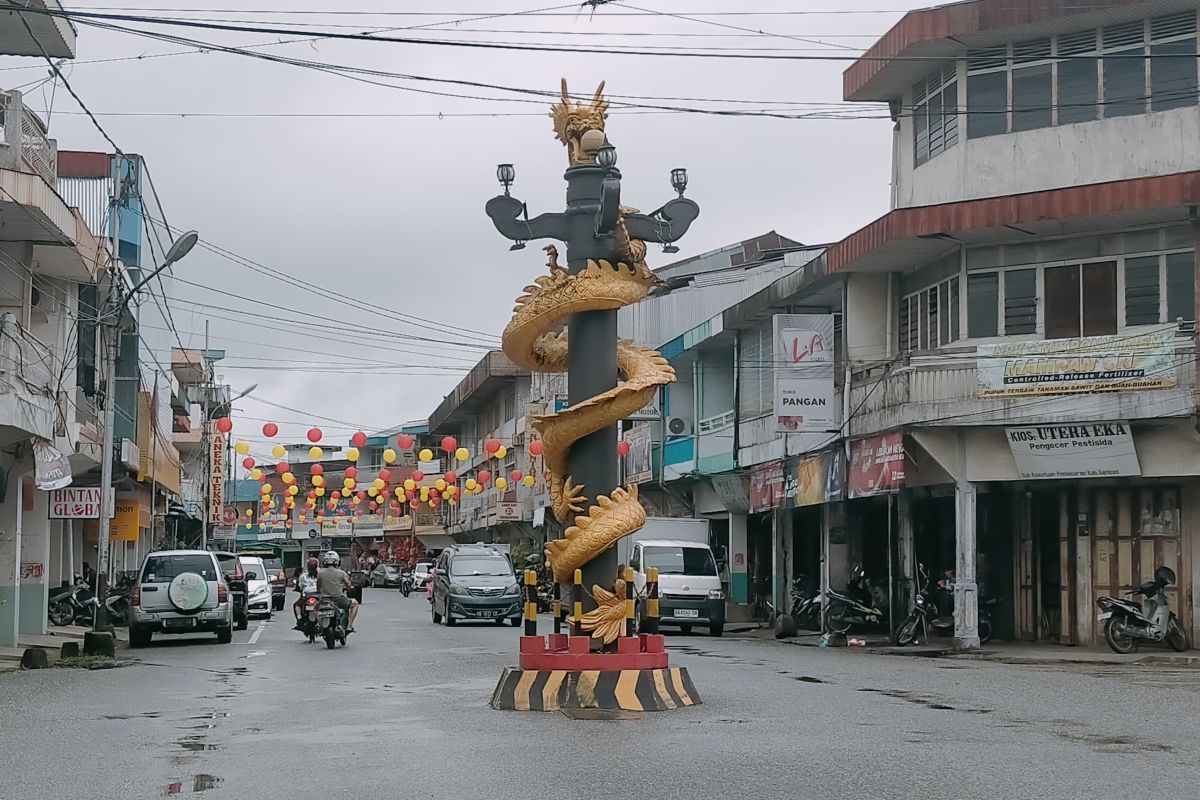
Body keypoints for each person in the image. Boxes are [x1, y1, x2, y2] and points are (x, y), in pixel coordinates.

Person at [317, 550, 359, 633]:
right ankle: (349, 626)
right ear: (337, 561)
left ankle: (318, 624)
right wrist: (350, 587)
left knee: (315, 609)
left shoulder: (320, 574)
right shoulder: (341, 573)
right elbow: (348, 583)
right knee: (355, 603)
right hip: (338, 599)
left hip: (324, 600)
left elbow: (318, 587)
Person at [292, 557, 320, 630]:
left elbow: (300, 587)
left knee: (297, 605)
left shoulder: (303, 576)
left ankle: (299, 619)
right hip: (319, 596)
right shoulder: (320, 575)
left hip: (307, 596)